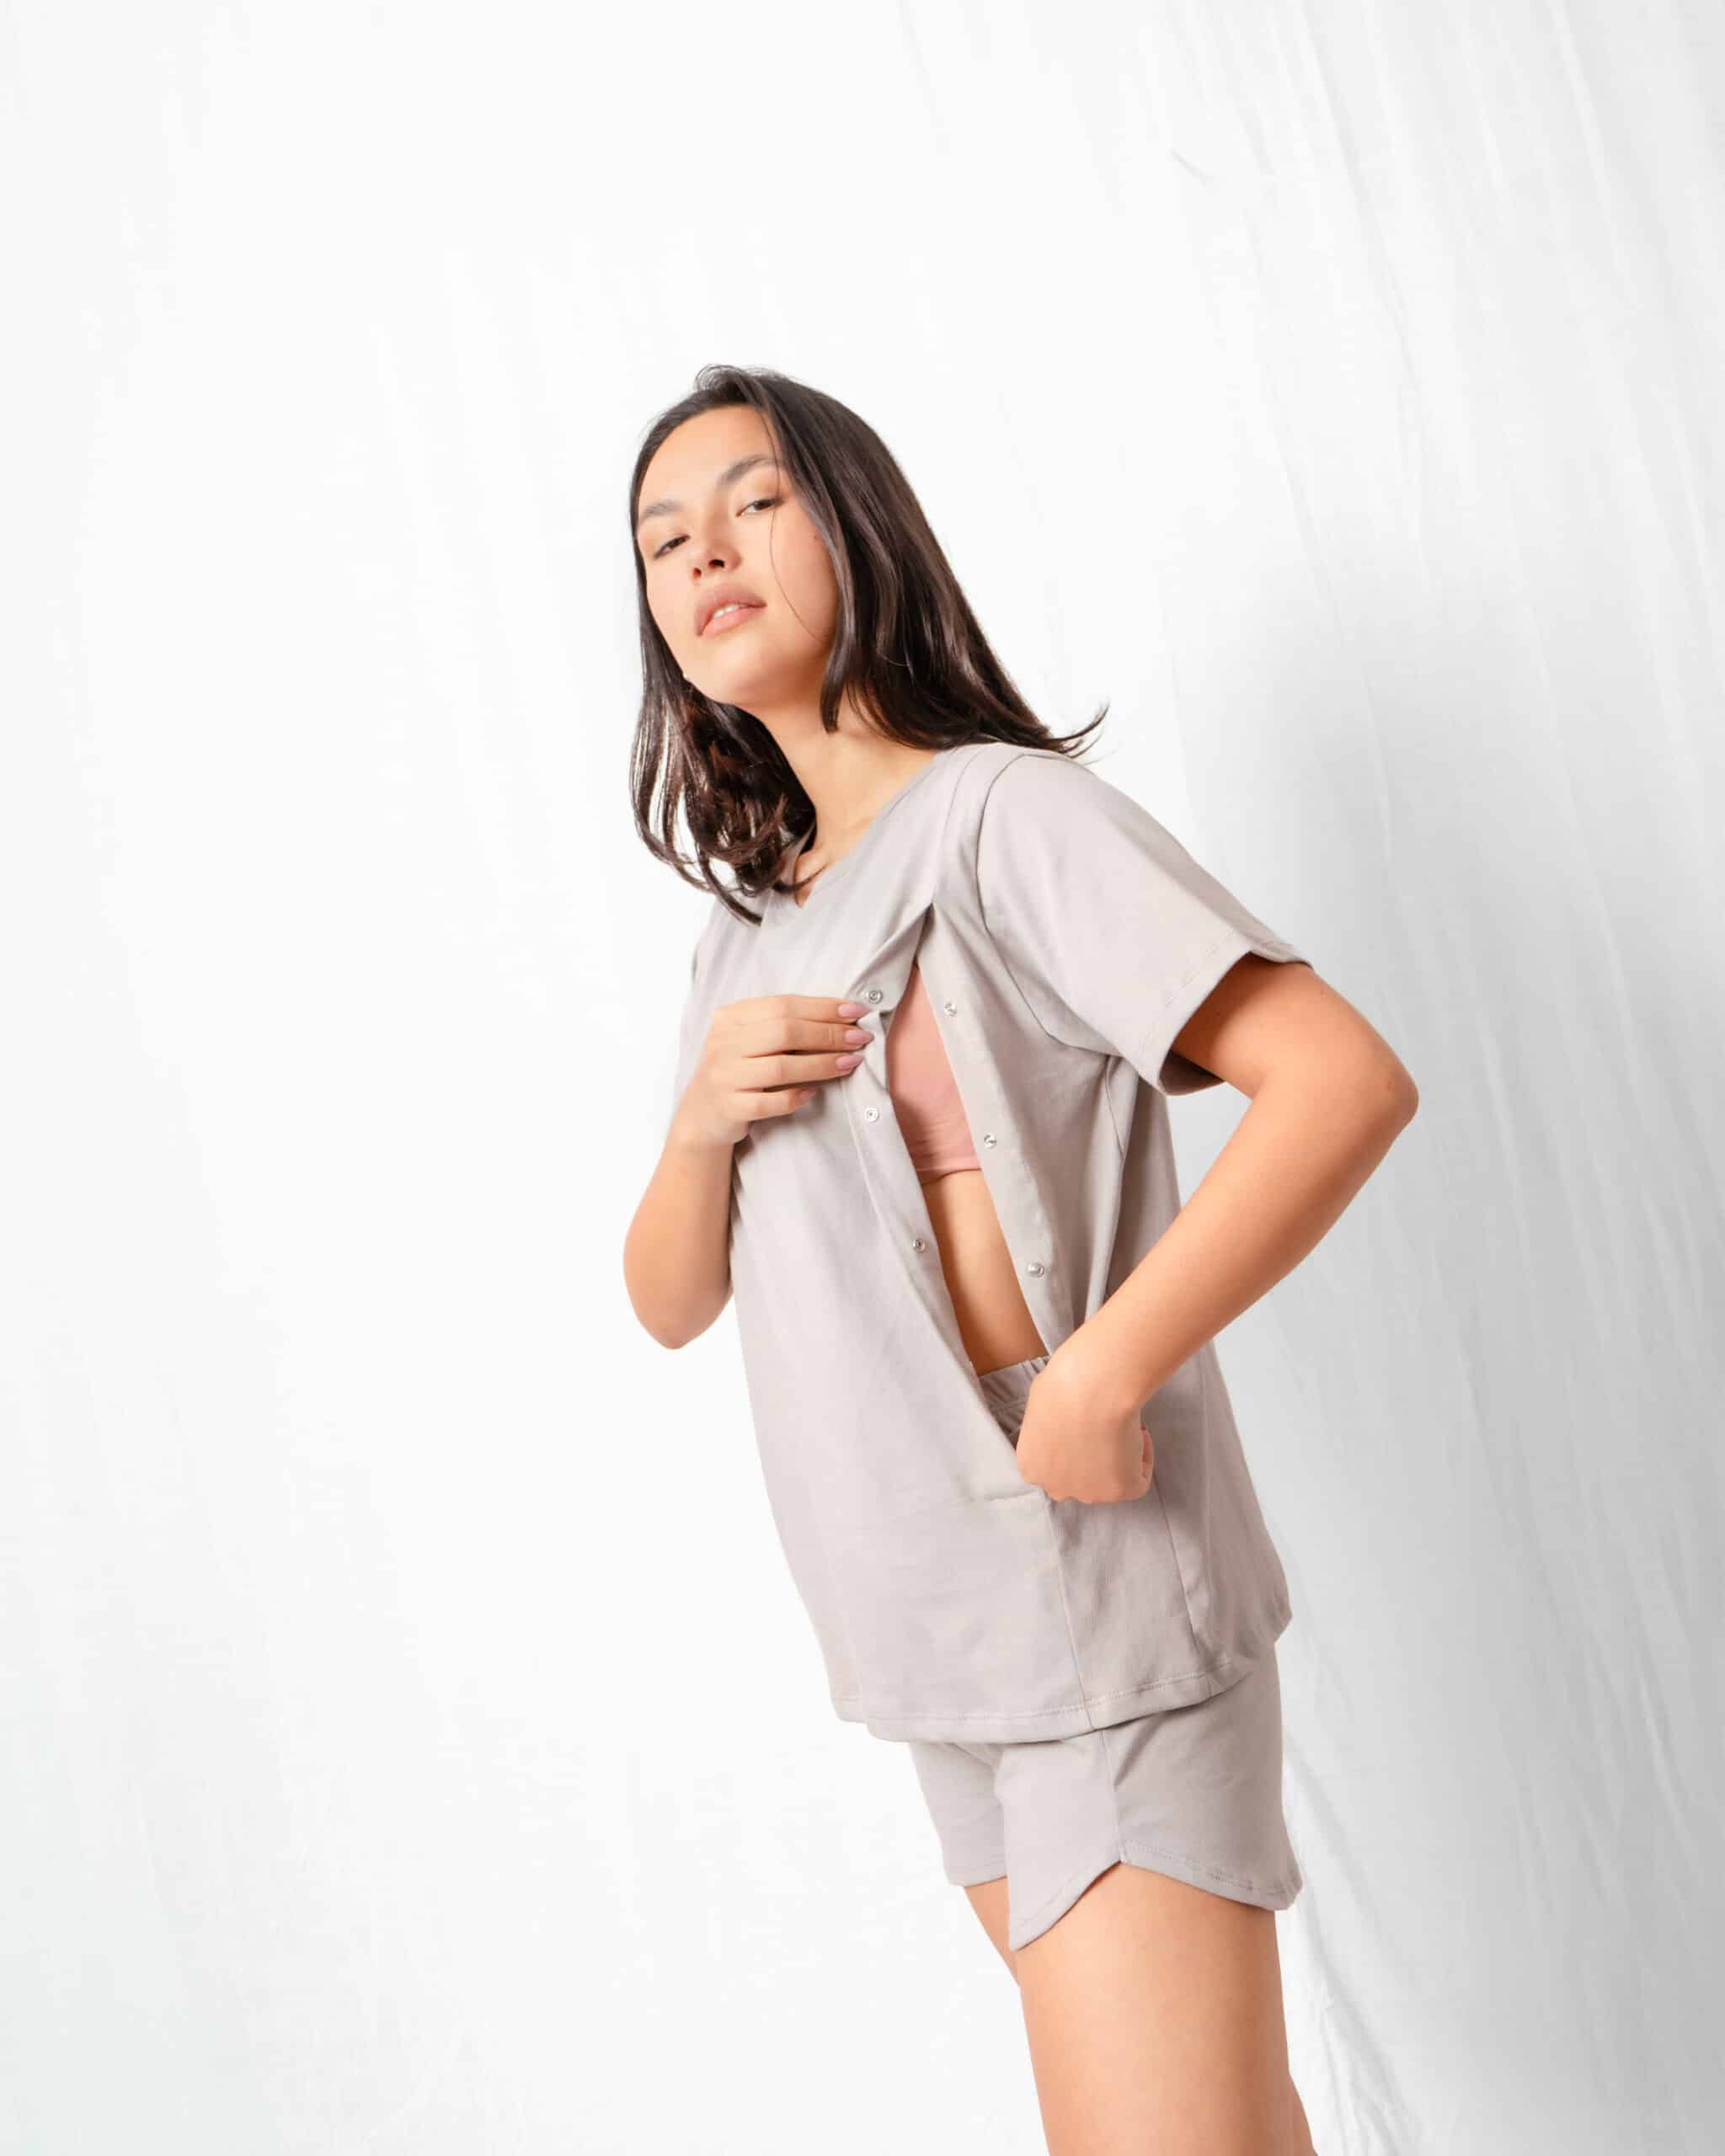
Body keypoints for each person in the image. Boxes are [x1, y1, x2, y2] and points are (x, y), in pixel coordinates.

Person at [622, 364, 1418, 2156]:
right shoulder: (744, 936)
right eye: (664, 540)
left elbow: (1340, 1081)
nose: (705, 553)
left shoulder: (1000, 818)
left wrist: (1107, 1366)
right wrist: (697, 1126)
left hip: (1091, 1606)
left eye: (754, 501)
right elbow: (672, 1300)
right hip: (932, 1639)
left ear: (860, 527)